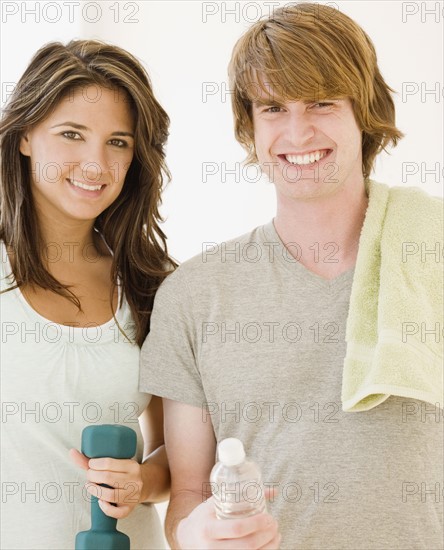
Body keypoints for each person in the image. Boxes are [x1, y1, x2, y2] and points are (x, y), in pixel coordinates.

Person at [139, 3, 443, 549]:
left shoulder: (431, 255)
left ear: (363, 111)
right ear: (249, 126)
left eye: (322, 102)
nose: (298, 131)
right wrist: (198, 535)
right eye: (273, 106)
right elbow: (186, 498)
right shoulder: (194, 295)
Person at [0, 39, 176, 549]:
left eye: (118, 142)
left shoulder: (154, 286)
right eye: (72, 134)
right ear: (26, 135)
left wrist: (140, 483)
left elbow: (177, 453)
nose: (96, 164)